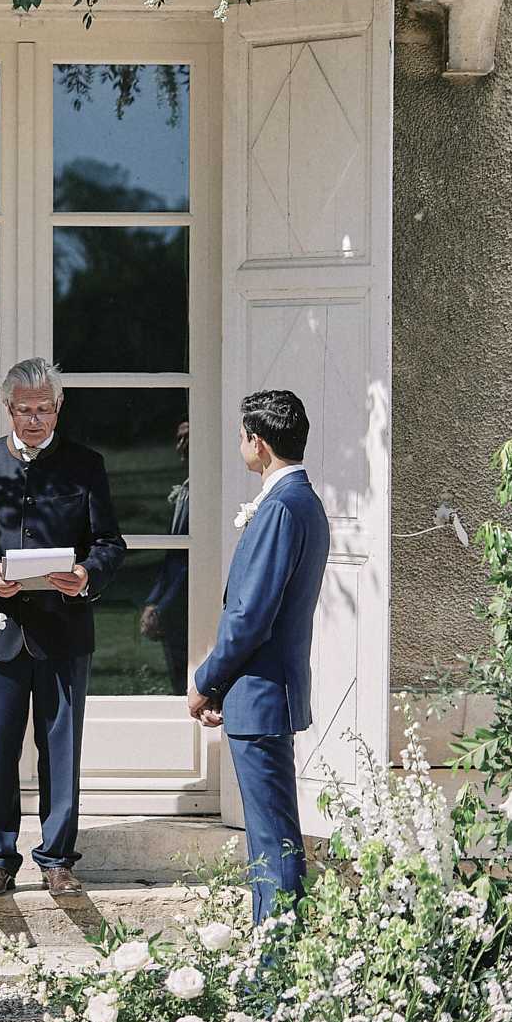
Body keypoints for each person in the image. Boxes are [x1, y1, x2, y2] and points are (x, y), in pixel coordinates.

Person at [0, 358, 125, 898]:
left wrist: (86, 574)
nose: (35, 420)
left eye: (45, 409)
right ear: (8, 408)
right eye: (25, 410)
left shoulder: (85, 464)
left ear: (59, 407)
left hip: (64, 632)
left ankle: (58, 859)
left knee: (61, 749)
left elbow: (111, 543)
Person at [189, 389, 329, 923]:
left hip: (261, 695)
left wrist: (206, 681)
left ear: (259, 442)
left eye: (243, 436)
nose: (241, 445)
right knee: (274, 837)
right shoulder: (302, 502)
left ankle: (276, 975)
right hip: (266, 693)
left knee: (272, 842)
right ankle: (279, 965)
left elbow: (250, 617)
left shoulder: (281, 508)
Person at [140, 418, 189, 694]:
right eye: (179, 438)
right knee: (176, 678)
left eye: (188, 438)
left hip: (186, 604)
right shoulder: (185, 491)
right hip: (172, 602)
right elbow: (173, 556)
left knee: (186, 679)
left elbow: (187, 565)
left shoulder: (202, 495)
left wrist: (163, 607)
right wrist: (152, 601)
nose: (181, 446)